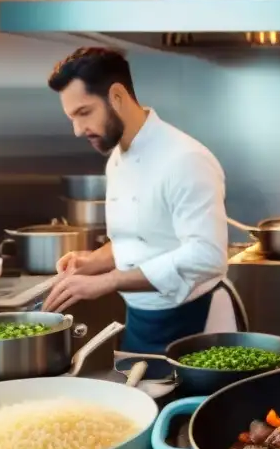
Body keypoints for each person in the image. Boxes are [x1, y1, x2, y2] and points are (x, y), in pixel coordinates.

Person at [42, 47, 242, 353]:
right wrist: (93, 262)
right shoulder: (116, 160)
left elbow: (208, 256)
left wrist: (110, 280)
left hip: (195, 319)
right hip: (141, 321)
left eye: (84, 113)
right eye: (72, 117)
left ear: (117, 96)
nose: (78, 130)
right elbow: (140, 239)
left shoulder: (185, 159)